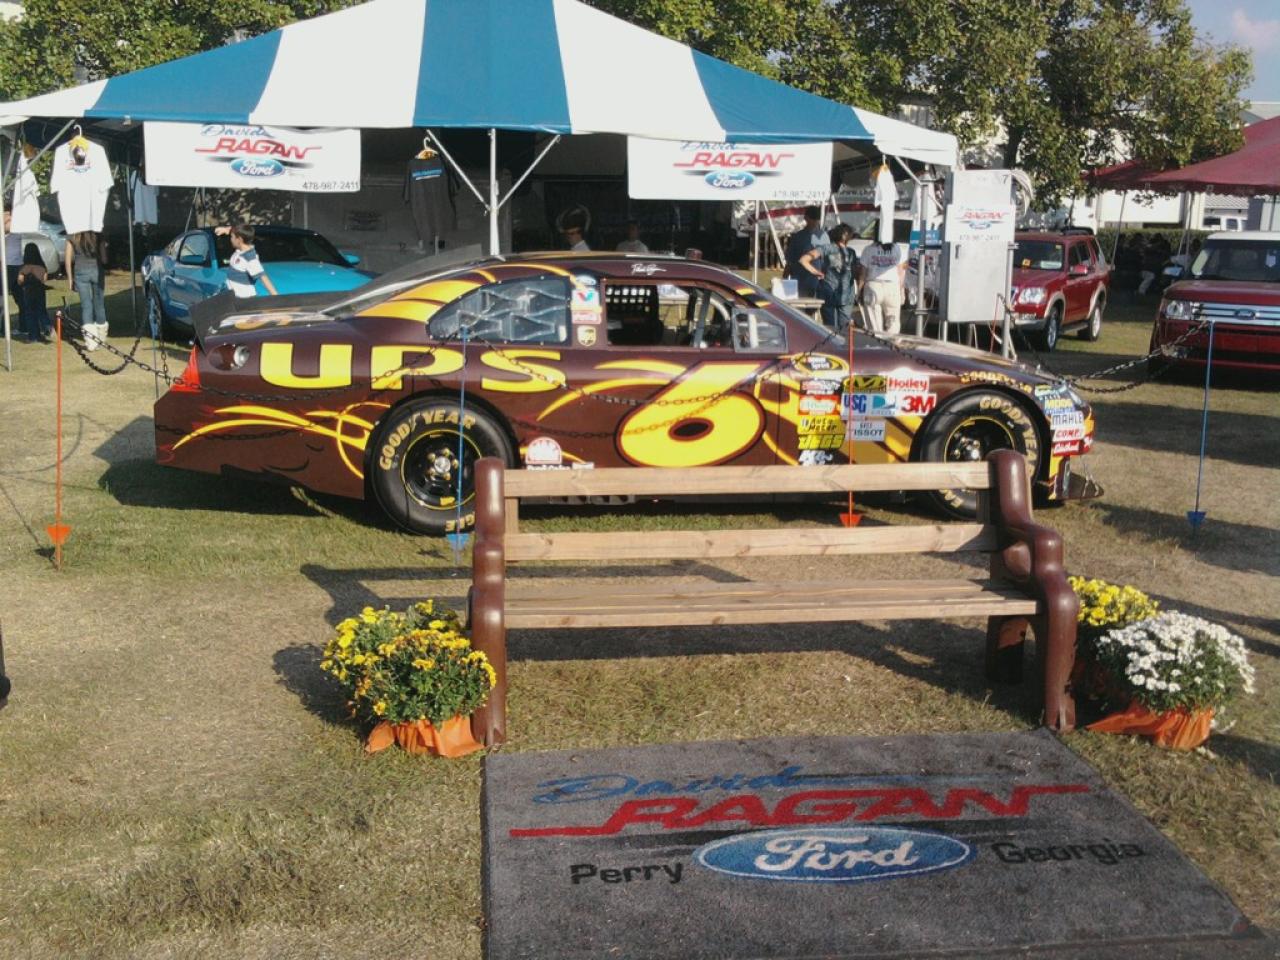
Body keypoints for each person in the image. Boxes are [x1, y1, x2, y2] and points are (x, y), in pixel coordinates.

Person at [798, 223, 859, 331]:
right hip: (846, 294)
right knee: (845, 329)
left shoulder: (826, 248)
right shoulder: (851, 252)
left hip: (828, 289)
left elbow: (803, 260)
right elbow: (855, 272)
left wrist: (815, 272)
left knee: (830, 327)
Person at [65, 231, 109, 350]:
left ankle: (91, 342)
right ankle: (101, 338)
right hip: (97, 271)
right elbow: (104, 259)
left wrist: (70, 279)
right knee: (99, 304)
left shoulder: (73, 236)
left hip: (80, 272)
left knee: (86, 306)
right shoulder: (98, 235)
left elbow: (68, 260)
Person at [213, 224, 279, 298]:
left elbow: (263, 278)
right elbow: (240, 230)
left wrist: (277, 298)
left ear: (239, 239)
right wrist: (226, 230)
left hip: (244, 299)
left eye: (232, 237)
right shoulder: (240, 250)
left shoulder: (250, 259)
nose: (231, 239)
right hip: (232, 297)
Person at [860, 238, 908, 335]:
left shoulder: (868, 249)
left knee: (874, 324)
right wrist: (901, 290)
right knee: (893, 322)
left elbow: (863, 273)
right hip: (892, 286)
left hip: (873, 285)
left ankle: (877, 341)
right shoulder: (897, 249)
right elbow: (901, 272)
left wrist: (860, 289)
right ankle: (891, 341)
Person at [784, 206, 829, 298]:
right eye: (813, 218)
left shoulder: (824, 236)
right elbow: (789, 262)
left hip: (818, 283)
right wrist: (784, 280)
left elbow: (828, 260)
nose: (814, 222)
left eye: (816, 219)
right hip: (799, 282)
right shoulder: (798, 237)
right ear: (806, 218)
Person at [16, 242, 51, 343]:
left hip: (28, 292)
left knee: (30, 314)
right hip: (40, 291)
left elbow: (20, 281)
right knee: (42, 311)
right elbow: (44, 279)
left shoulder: (24, 268)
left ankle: (33, 336)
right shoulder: (42, 267)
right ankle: (48, 327)